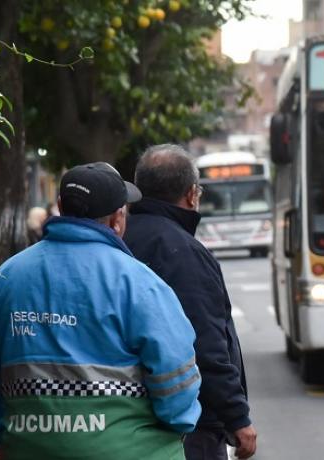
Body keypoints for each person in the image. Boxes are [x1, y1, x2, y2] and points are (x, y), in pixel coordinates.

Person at [0, 162, 201, 460]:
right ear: (117, 219)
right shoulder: (140, 284)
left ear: (61, 206)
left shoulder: (4, 280)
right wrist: (179, 422)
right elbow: (176, 378)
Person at [124, 145, 257, 460]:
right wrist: (237, 416)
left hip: (129, 415)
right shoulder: (184, 252)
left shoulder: (120, 240)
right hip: (190, 422)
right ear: (192, 194)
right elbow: (207, 342)